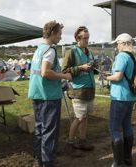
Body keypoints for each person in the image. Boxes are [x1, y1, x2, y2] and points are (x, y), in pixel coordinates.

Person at [28, 20, 72, 167]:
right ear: (53, 33)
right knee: (49, 131)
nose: (60, 37)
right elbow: (45, 72)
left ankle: (38, 159)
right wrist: (64, 76)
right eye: (59, 34)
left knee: (40, 128)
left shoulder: (39, 49)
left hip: (37, 93)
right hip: (48, 96)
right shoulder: (50, 50)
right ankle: (48, 162)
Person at [103, 33, 136, 167]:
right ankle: (127, 160)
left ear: (123, 43)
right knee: (127, 126)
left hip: (119, 97)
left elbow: (117, 77)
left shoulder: (122, 56)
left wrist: (107, 78)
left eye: (117, 44)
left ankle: (118, 163)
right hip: (131, 97)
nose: (117, 46)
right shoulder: (135, 57)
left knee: (114, 128)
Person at [62, 26, 95, 152]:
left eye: (88, 38)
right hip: (78, 91)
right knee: (79, 118)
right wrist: (81, 68)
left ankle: (82, 141)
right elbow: (64, 71)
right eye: (85, 38)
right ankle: (70, 142)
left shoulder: (89, 51)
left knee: (85, 117)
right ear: (77, 38)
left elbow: (89, 67)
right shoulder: (71, 52)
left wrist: (93, 66)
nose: (87, 40)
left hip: (89, 90)